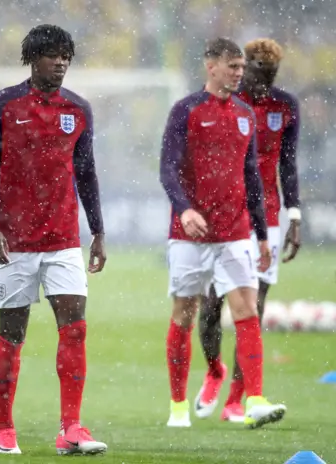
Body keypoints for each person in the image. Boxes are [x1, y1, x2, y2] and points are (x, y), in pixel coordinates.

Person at [0, 24, 107, 456]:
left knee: (76, 329)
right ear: (34, 58)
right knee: (12, 336)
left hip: (64, 239)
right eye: (53, 55)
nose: (62, 62)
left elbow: (85, 173)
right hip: (14, 242)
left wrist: (98, 231)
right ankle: (5, 428)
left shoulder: (78, 108)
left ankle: (71, 428)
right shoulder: (2, 106)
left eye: (66, 55)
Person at [159, 37, 287, 429]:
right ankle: (178, 405)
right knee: (184, 314)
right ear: (210, 66)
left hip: (235, 232)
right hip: (190, 236)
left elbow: (252, 179)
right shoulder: (185, 110)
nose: (239, 72)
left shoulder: (246, 114)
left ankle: (255, 399)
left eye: (240, 66)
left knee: (247, 311)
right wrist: (185, 210)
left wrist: (262, 234)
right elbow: (167, 169)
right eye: (232, 66)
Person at [195, 38, 301, 423]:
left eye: (270, 74)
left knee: (253, 309)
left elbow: (287, 165)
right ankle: (214, 370)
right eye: (255, 70)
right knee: (210, 308)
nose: (260, 80)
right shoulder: (221, 105)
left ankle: (237, 400)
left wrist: (295, 215)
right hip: (222, 217)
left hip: (266, 220)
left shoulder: (285, 106)